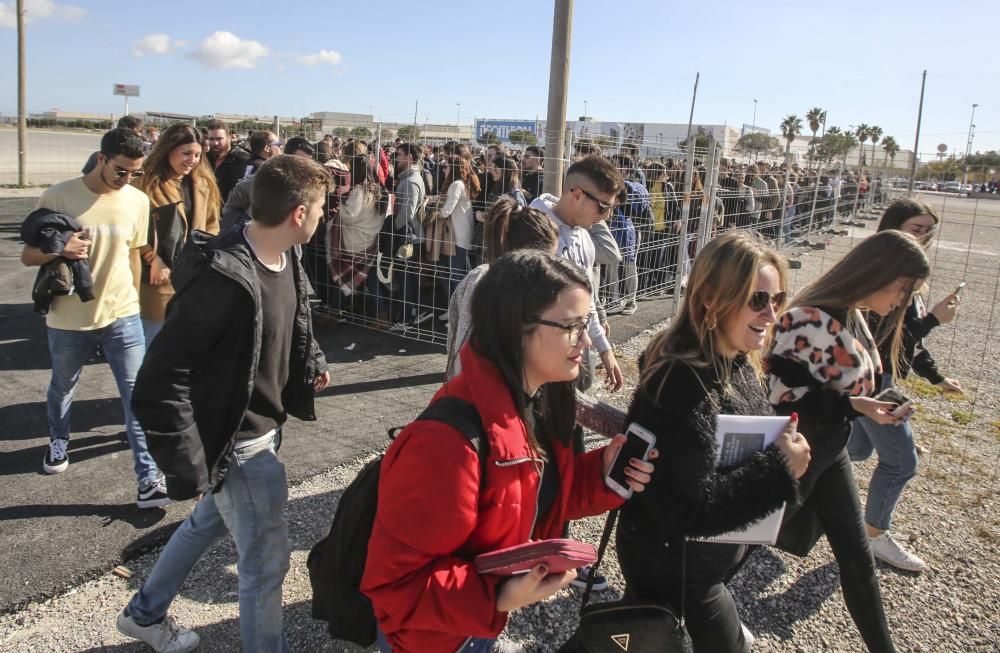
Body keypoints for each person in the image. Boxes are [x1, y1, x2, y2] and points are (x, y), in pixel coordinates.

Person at [361, 250, 658, 653]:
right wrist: (499, 598)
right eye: (572, 326)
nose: (586, 341)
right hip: (430, 640)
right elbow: (396, 585)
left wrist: (601, 472)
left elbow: (533, 500)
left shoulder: (538, 403)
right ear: (517, 329)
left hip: (472, 625)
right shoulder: (446, 446)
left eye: (586, 324)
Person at [115, 155, 331, 653]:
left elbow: (295, 317)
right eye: (321, 207)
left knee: (205, 523)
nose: (325, 216)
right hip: (241, 444)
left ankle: (144, 614)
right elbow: (160, 380)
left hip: (263, 431)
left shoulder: (287, 257)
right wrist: (190, 467)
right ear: (298, 213)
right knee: (266, 565)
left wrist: (311, 356)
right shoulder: (224, 277)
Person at [616, 230, 811, 653]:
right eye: (757, 300)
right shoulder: (681, 383)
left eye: (777, 300)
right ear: (710, 298)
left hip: (696, 566)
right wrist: (781, 468)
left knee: (628, 638)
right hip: (678, 570)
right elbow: (688, 509)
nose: (771, 313)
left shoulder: (736, 362)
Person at [768, 229, 931, 653]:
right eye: (903, 288)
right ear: (877, 273)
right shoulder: (810, 317)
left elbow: (827, 394)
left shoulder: (849, 311)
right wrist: (853, 406)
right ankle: (676, 604)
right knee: (742, 542)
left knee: (857, 556)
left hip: (829, 447)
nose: (904, 300)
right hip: (799, 452)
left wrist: (865, 406)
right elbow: (781, 399)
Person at [21, 127, 168, 507]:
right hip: (69, 317)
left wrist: (134, 303)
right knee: (63, 386)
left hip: (122, 315)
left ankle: (148, 479)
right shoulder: (58, 195)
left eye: (135, 173)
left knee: (137, 397)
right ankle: (59, 439)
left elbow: (135, 254)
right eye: (121, 170)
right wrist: (62, 249)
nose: (127, 179)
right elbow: (29, 256)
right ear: (101, 158)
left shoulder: (137, 200)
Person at [847, 198, 962, 572]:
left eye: (929, 230)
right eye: (917, 228)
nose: (924, 236)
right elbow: (878, 339)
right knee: (901, 463)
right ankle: (875, 536)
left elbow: (904, 341)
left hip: (880, 378)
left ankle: (806, 487)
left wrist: (938, 378)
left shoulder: (906, 275)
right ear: (893, 226)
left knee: (857, 450)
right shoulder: (878, 274)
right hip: (871, 381)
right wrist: (932, 320)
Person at [529, 155, 625, 392]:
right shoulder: (532, 231)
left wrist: (605, 349)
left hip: (572, 356)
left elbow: (586, 302)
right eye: (604, 206)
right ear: (577, 194)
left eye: (611, 208)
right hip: (536, 363)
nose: (607, 216)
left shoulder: (585, 239)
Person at [445, 197, 558, 379]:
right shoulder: (514, 294)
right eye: (548, 260)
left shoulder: (476, 277)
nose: (550, 268)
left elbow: (454, 337)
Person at [136, 123, 222, 345]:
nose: (192, 160)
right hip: (157, 278)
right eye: (186, 153)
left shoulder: (203, 183)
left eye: (197, 155)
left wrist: (207, 258)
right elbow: (131, 232)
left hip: (195, 278)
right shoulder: (144, 184)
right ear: (168, 150)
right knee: (155, 342)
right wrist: (152, 258)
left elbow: (212, 225)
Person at [205, 119, 252, 202]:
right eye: (211, 139)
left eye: (219, 139)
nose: (215, 143)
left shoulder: (243, 159)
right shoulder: (205, 158)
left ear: (229, 138)